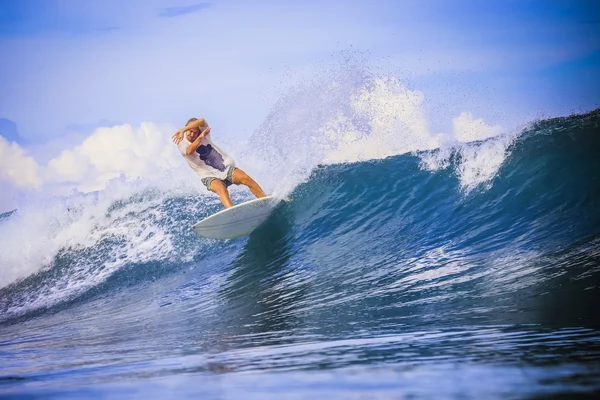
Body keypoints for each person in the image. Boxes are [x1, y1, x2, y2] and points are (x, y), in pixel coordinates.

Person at [172, 117, 266, 208]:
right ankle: (232, 212)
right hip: (208, 175)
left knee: (245, 178)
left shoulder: (205, 134)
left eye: (195, 132)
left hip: (225, 168)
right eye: (190, 132)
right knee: (222, 189)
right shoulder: (181, 142)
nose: (192, 134)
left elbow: (202, 120)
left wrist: (183, 129)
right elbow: (189, 151)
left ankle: (265, 200)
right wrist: (200, 137)